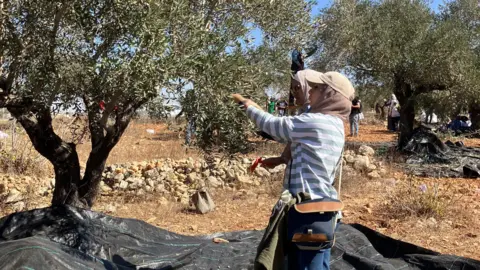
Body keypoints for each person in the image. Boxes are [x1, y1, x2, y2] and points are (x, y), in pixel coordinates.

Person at [238, 71, 354, 270]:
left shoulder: (316, 122)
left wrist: (247, 106)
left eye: (316, 87)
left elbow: (273, 126)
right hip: (323, 211)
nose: (311, 91)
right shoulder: (333, 123)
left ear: (329, 94)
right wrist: (282, 159)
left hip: (309, 211)